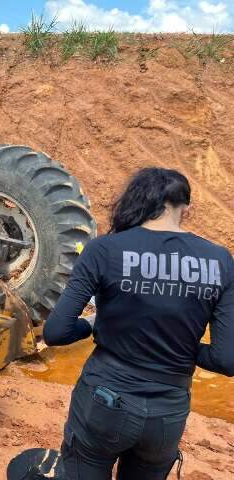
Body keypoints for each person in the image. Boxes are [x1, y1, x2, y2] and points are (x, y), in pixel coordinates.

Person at [42, 167, 234, 480]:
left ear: (139, 202)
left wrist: (92, 324)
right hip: (167, 415)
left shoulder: (104, 250)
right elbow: (228, 360)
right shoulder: (220, 260)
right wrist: (184, 348)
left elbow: (55, 332)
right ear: (187, 208)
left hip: (103, 402)